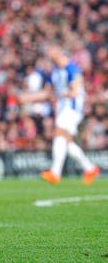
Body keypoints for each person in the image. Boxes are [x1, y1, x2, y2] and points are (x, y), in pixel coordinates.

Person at [23, 44, 100, 185]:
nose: (49, 55)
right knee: (67, 142)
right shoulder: (54, 71)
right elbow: (47, 92)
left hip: (72, 108)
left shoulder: (72, 69)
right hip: (63, 109)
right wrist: (28, 98)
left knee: (59, 133)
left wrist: (65, 93)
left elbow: (76, 91)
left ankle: (55, 172)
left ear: (59, 52)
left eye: (51, 51)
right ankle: (90, 168)